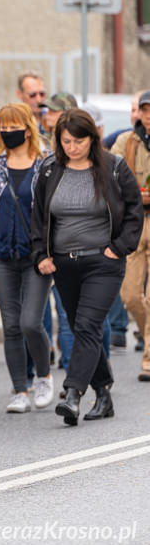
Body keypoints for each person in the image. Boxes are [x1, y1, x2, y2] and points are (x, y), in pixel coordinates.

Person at [32, 109, 142, 425]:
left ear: (92, 138)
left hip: (103, 262)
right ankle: (104, 393)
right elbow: (39, 216)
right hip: (64, 263)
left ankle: (72, 394)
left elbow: (134, 210)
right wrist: (41, 254)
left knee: (86, 326)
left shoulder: (114, 167)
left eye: (79, 141)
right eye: (66, 141)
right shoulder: (50, 169)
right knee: (85, 327)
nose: (72, 147)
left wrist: (119, 248)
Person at [0, 103, 54, 413]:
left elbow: (53, 212)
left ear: (28, 127)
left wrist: (51, 251)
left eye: (13, 126)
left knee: (32, 321)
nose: (7, 132)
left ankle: (44, 376)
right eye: (2, 127)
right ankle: (20, 389)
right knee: (12, 324)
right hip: (1, 255)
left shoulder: (46, 163)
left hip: (36, 256)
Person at [112, 90, 150, 381]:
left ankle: (148, 361)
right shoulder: (126, 142)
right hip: (134, 223)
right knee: (130, 296)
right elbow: (109, 177)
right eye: (145, 110)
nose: (148, 116)